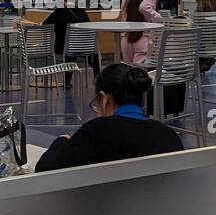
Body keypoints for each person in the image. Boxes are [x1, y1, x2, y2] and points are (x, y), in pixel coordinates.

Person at [35, 63, 182, 172]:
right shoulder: (168, 135)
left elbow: (44, 169)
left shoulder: (97, 132)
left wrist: (61, 141)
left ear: (104, 99)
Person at [118, 0, 161, 64]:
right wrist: (159, 18)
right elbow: (144, 7)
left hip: (127, 38)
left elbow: (123, 13)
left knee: (129, 71)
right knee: (140, 73)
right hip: (143, 38)